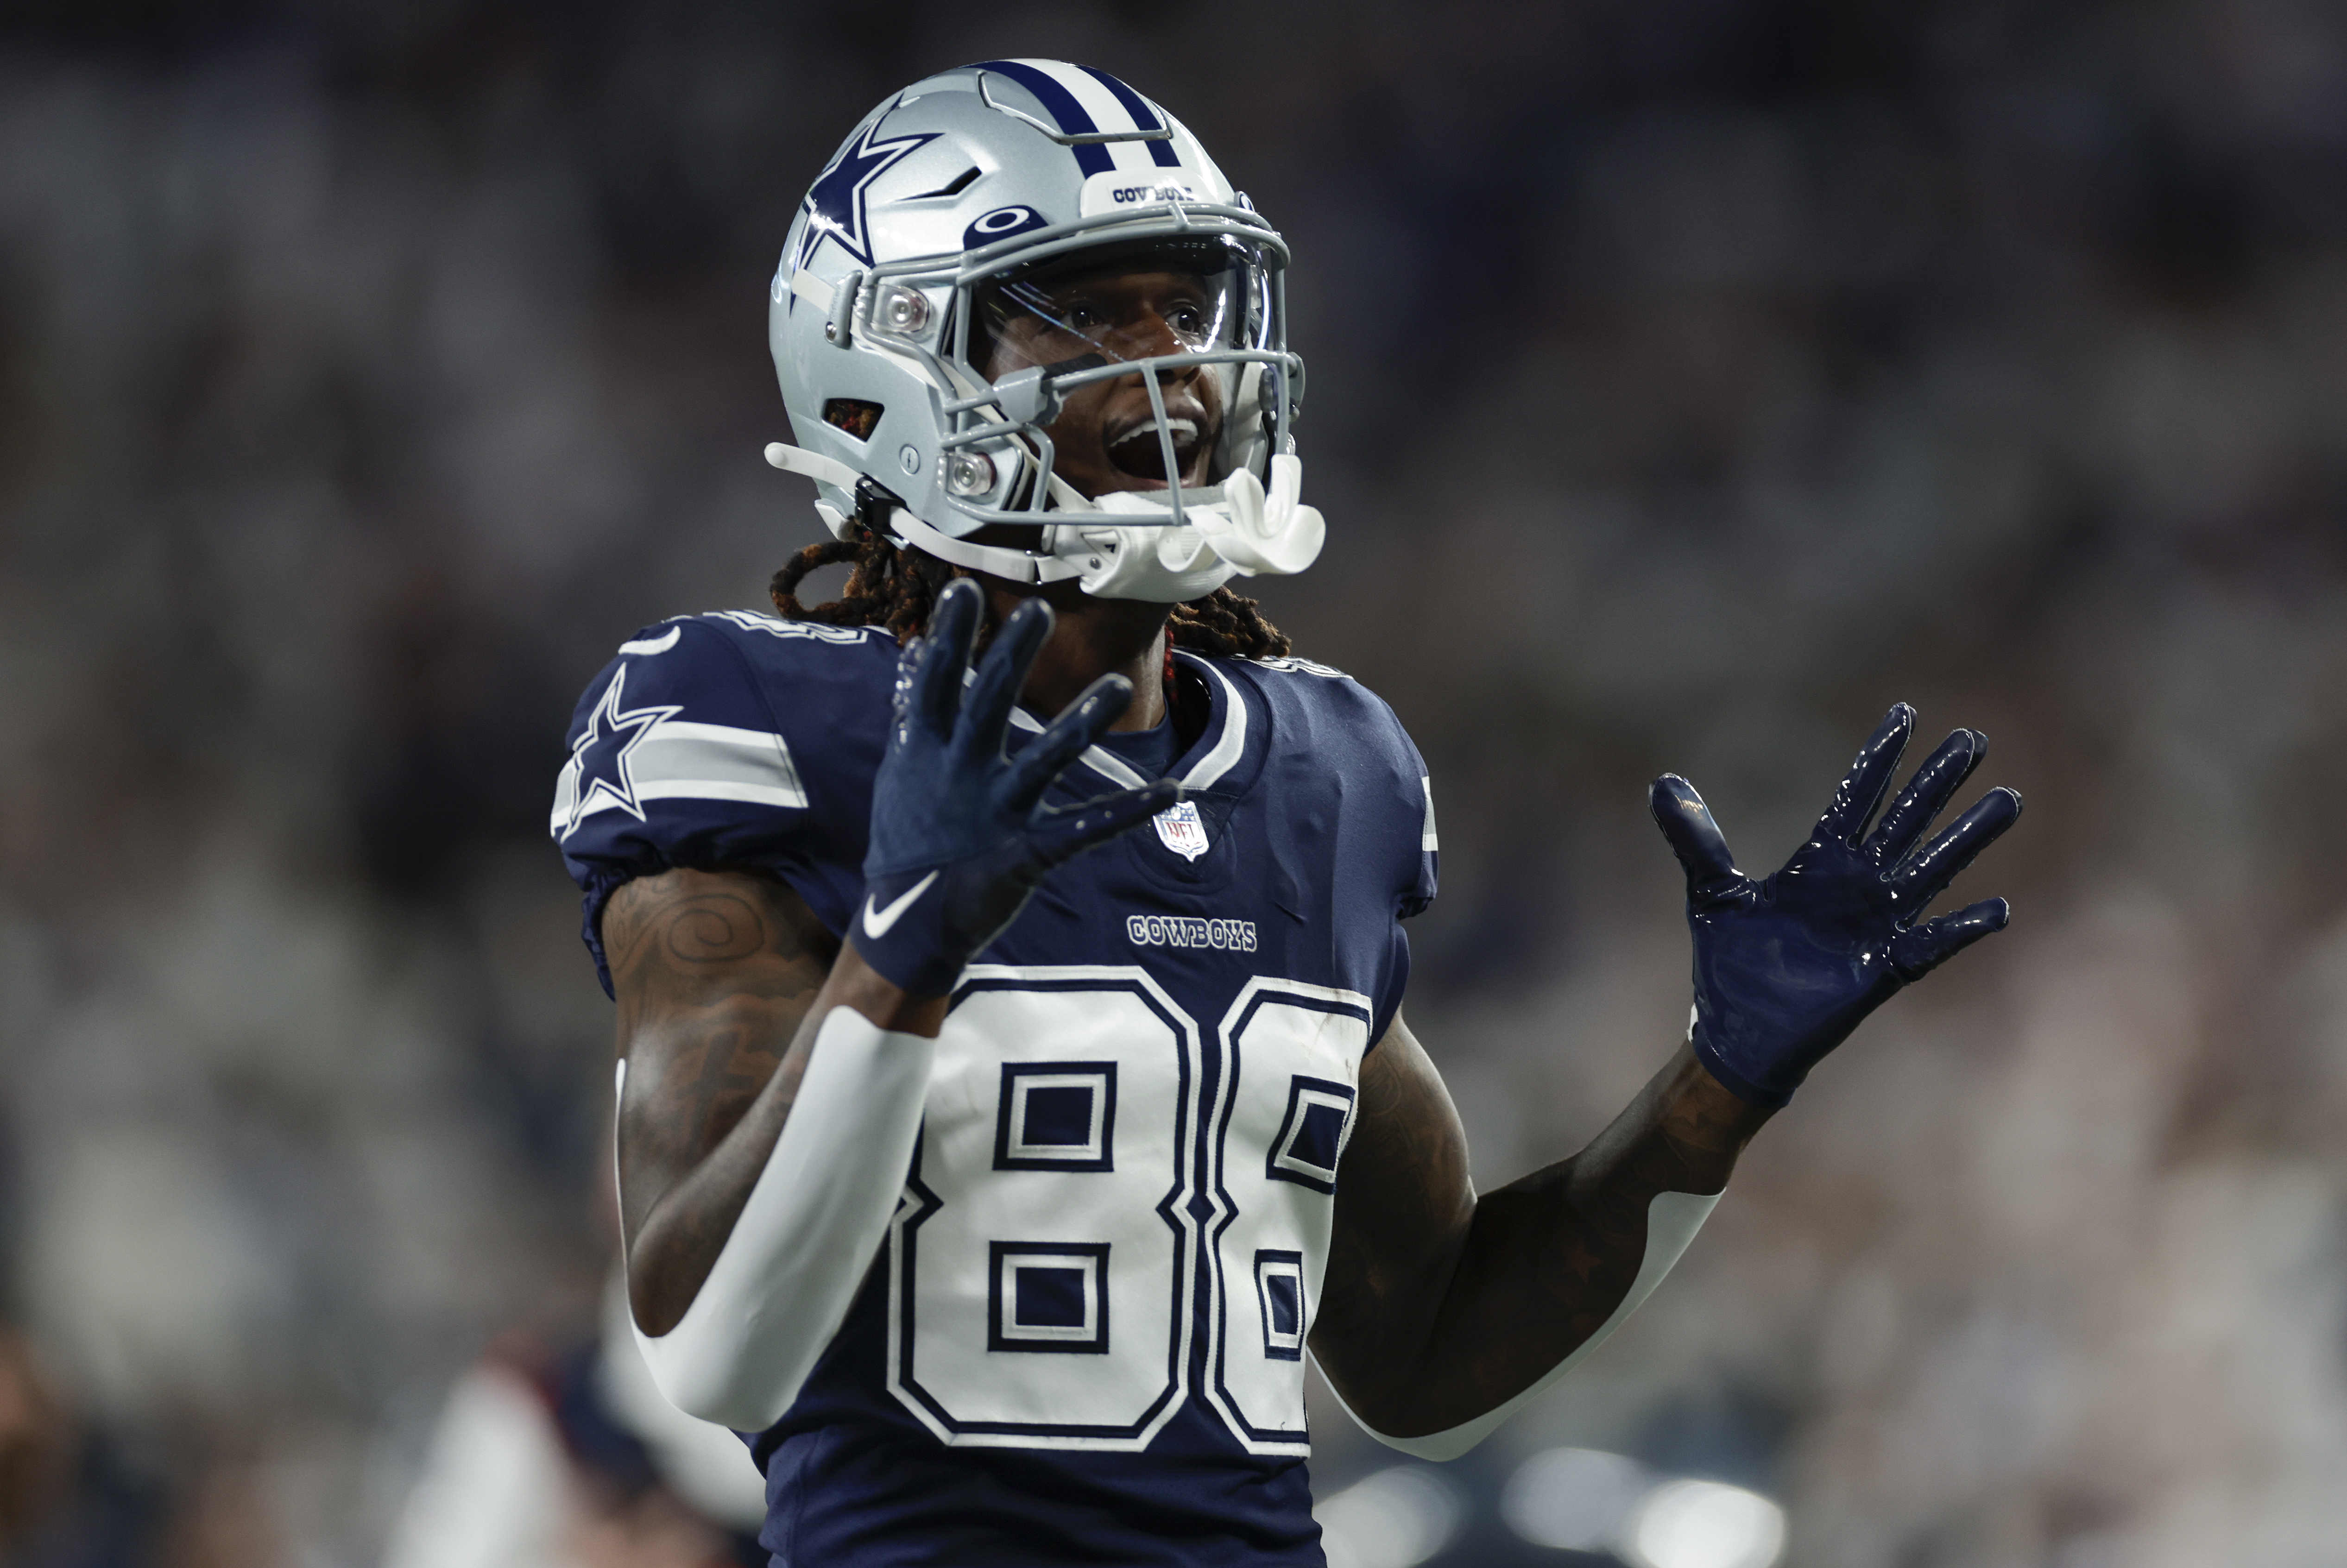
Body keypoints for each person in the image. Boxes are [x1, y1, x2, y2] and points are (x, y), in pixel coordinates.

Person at [549, 59, 2021, 1566]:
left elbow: (1423, 1358)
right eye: (1077, 308)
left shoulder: (1326, 768)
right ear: (889, 363)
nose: (1170, 363)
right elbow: (718, 1350)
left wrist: (1714, 1089)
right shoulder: (750, 721)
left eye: (1183, 309)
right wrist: (902, 952)